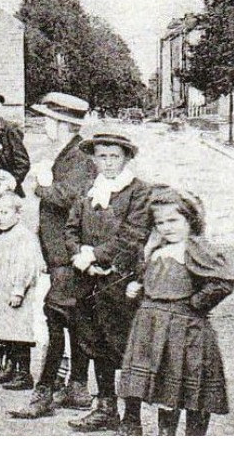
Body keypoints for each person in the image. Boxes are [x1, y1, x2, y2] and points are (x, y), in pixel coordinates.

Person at [119, 188, 234, 436]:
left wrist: (195, 303)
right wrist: (137, 290)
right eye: (160, 222)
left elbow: (223, 281)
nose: (166, 227)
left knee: (189, 386)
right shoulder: (156, 249)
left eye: (173, 220)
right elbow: (152, 281)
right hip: (152, 326)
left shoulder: (195, 247)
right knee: (165, 388)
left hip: (184, 330)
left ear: (190, 219)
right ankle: (165, 435)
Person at [12, 92, 98, 420]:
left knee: (56, 318)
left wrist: (42, 185)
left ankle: (45, 391)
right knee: (73, 321)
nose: (45, 124)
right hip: (61, 255)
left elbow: (70, 199)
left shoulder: (78, 156)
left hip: (68, 256)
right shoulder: (70, 153)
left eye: (48, 119)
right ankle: (75, 386)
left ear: (61, 123)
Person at [64, 132, 156, 433]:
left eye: (114, 156)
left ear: (126, 158)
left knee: (128, 349)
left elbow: (133, 235)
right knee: (95, 343)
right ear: (93, 159)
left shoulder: (138, 191)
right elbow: (71, 228)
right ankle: (105, 408)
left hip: (122, 279)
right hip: (88, 280)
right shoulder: (89, 190)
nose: (108, 162)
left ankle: (132, 416)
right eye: (102, 156)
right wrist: (79, 255)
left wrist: (97, 257)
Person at [0, 190, 46, 391]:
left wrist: (18, 290)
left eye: (5, 213)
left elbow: (26, 266)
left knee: (20, 335)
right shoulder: (5, 237)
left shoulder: (23, 236)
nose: (0, 218)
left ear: (18, 214)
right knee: (7, 333)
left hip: (18, 295)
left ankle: (23, 372)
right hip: (3, 294)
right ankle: (10, 367)